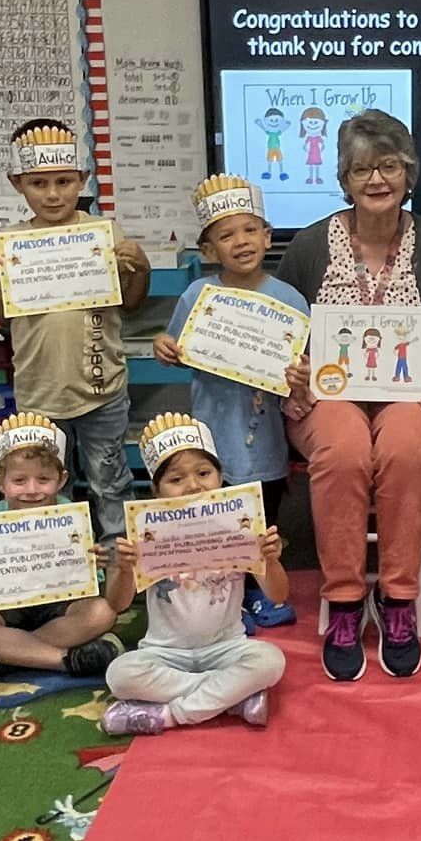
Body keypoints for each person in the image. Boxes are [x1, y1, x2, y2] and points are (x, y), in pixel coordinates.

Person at [276, 109, 421, 682]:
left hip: (413, 394)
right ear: (345, 179)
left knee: (406, 449)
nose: (376, 179)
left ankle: (399, 601)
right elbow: (278, 333)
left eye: (388, 166)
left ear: (409, 174)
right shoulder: (310, 247)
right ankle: (346, 603)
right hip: (328, 398)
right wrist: (291, 372)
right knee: (344, 451)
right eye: (362, 169)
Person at [0, 120, 150, 539]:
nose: (53, 194)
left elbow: (132, 301)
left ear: (83, 179)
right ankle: (53, 555)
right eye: (39, 183)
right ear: (18, 184)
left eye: (64, 181)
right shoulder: (9, 242)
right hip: (40, 391)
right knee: (38, 483)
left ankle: (117, 552)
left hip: (102, 389)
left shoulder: (102, 233)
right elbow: (5, 314)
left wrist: (142, 265)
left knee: (109, 479)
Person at [153, 175, 309, 629]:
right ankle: (221, 591)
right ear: (208, 250)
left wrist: (300, 377)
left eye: (249, 230)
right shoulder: (198, 296)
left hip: (264, 435)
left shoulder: (289, 299)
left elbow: (303, 373)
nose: (240, 242)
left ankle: (260, 590)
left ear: (267, 235)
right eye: (225, 235)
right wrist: (165, 347)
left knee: (261, 513)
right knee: (214, 514)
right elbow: (179, 350)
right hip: (212, 431)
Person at [96, 414, 287, 736]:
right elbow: (117, 604)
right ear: (157, 490)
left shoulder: (240, 526)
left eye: (203, 473)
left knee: (271, 660)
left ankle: (170, 715)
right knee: (120, 674)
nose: (194, 485)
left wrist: (270, 560)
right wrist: (123, 568)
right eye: (176, 479)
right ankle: (233, 699)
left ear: (219, 477)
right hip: (164, 652)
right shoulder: (146, 534)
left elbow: (278, 595)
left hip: (228, 647)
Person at [0, 411, 123, 691]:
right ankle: (63, 660)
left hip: (59, 608)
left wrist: (96, 565)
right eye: (19, 481)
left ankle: (4, 658)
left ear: (62, 478)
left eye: (43, 479)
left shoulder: (72, 518)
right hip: (6, 609)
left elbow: (89, 587)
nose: (32, 490)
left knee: (103, 612)